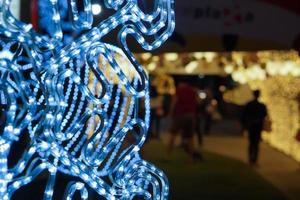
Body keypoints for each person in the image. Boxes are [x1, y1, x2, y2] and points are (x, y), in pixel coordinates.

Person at [167, 80, 202, 162]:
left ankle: (168, 156)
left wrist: (170, 113)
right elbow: (199, 101)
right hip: (191, 115)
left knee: (172, 135)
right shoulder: (193, 90)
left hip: (180, 114)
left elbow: (174, 101)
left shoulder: (178, 90)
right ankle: (190, 158)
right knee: (190, 138)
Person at [242, 90, 267, 167]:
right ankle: (254, 160)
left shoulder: (250, 104)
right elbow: (264, 115)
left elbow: (244, 115)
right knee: (255, 144)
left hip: (252, 127)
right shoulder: (261, 106)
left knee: (252, 143)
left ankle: (251, 159)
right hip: (256, 127)